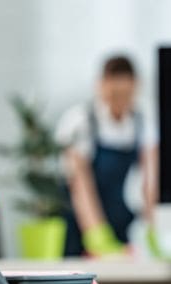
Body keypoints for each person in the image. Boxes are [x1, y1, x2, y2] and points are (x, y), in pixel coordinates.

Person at [56, 55, 159, 257]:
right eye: (114, 95)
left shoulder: (142, 122)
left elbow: (151, 181)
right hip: (81, 224)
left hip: (118, 224)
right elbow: (79, 184)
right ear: (101, 86)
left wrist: (154, 229)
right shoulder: (79, 121)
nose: (120, 103)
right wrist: (96, 235)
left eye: (126, 95)